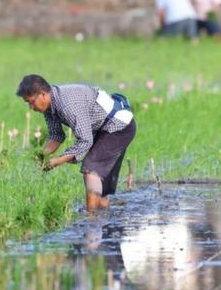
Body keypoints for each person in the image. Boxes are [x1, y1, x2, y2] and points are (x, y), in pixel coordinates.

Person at [16, 75, 135, 211]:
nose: (31, 107)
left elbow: (85, 140)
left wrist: (57, 161)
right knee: (100, 193)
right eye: (27, 103)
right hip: (103, 128)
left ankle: (91, 220)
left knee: (91, 169)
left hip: (118, 126)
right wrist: (41, 156)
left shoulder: (67, 105)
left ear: (42, 94)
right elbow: (56, 136)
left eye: (31, 102)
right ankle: (102, 218)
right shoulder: (50, 106)